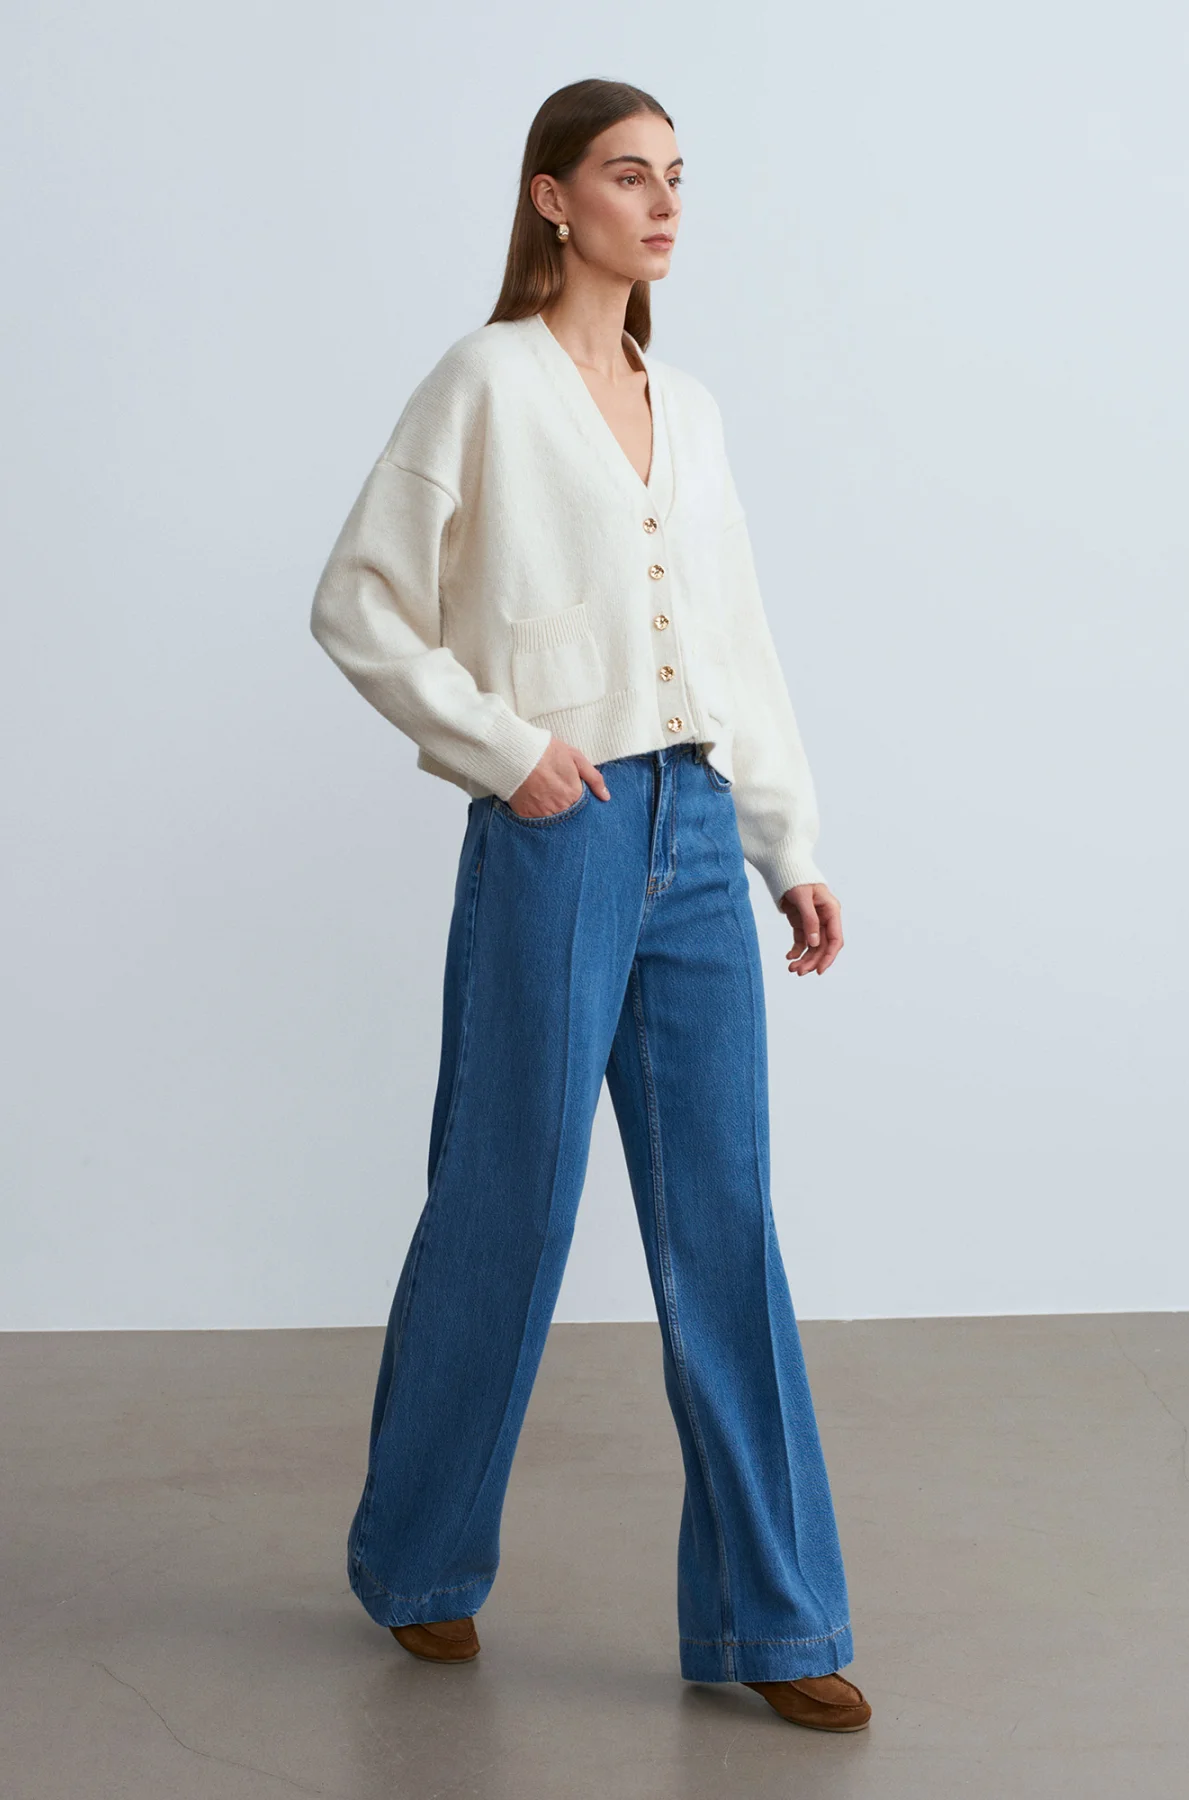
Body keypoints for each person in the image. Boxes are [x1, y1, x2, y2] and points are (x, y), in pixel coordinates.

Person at [309, 77, 869, 1735]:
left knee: (725, 1225)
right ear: (554, 198)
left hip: (693, 826)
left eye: (677, 176)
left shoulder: (688, 406)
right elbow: (358, 602)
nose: (665, 204)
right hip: (561, 828)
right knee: (509, 1204)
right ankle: (417, 1560)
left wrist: (788, 844)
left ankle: (775, 1620)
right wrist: (506, 750)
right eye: (630, 175)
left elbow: (737, 643)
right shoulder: (484, 380)